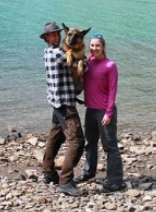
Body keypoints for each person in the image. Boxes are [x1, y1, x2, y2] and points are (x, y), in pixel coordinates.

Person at [74, 33, 126, 192]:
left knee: (110, 146)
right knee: (90, 144)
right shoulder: (87, 62)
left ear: (103, 47)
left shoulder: (110, 65)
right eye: (92, 45)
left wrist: (109, 113)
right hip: (90, 110)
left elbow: (113, 91)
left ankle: (115, 180)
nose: (94, 48)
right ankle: (88, 173)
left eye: (97, 45)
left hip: (104, 111)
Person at [39, 21, 86, 196]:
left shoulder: (47, 52)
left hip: (55, 101)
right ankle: (65, 181)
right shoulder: (58, 54)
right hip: (65, 104)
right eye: (53, 35)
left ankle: (49, 172)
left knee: (55, 138)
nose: (57, 36)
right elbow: (83, 67)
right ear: (46, 38)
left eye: (58, 33)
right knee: (77, 141)